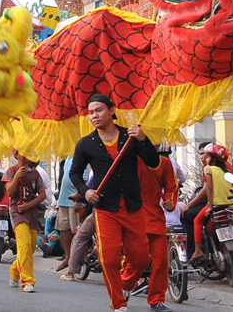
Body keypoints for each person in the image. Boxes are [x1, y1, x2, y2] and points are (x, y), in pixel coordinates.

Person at [70, 93, 159, 312]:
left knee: (140, 258)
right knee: (108, 258)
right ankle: (118, 303)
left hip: (132, 205)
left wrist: (143, 139)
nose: (94, 116)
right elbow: (74, 173)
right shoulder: (85, 144)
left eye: (99, 110)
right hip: (105, 208)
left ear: (112, 110)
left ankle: (125, 284)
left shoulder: (129, 136)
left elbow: (153, 162)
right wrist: (86, 191)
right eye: (91, 112)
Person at [124, 149, 177, 312]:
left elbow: (172, 187)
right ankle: (124, 284)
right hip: (134, 216)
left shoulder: (165, 163)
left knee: (161, 261)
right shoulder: (132, 159)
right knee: (136, 258)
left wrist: (169, 200)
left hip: (155, 218)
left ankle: (156, 299)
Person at [187, 144, 233, 264]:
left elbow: (209, 189)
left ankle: (197, 251)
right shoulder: (227, 171)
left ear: (213, 158)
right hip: (229, 205)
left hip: (216, 205)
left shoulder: (208, 169)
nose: (204, 158)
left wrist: (211, 207)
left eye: (206, 155)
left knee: (197, 221)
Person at [7, 152, 46, 293]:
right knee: (24, 244)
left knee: (29, 249)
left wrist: (28, 206)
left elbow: (43, 194)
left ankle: (14, 271)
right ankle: (27, 280)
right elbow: (10, 193)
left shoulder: (36, 174)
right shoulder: (10, 171)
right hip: (17, 213)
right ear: (17, 155)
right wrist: (17, 176)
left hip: (32, 213)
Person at [54, 156, 78, 275]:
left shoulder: (84, 151)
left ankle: (73, 262)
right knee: (64, 228)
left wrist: (79, 199)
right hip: (63, 199)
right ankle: (67, 257)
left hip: (75, 200)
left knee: (76, 232)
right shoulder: (68, 156)